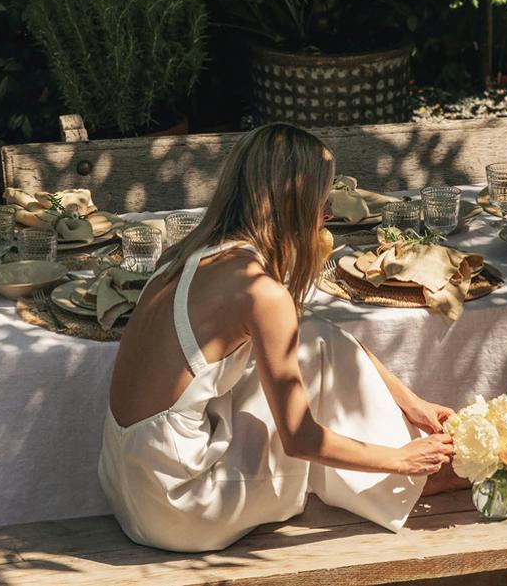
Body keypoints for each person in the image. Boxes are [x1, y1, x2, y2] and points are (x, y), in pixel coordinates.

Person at [98, 123, 463, 552]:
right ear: (293, 201)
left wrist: (412, 402)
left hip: (128, 483)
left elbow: (314, 334)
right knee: (308, 399)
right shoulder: (260, 291)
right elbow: (300, 438)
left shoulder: (188, 254)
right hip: (180, 505)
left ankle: (406, 458)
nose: (328, 215)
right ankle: (411, 478)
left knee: (315, 338)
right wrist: (400, 460)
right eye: (323, 202)